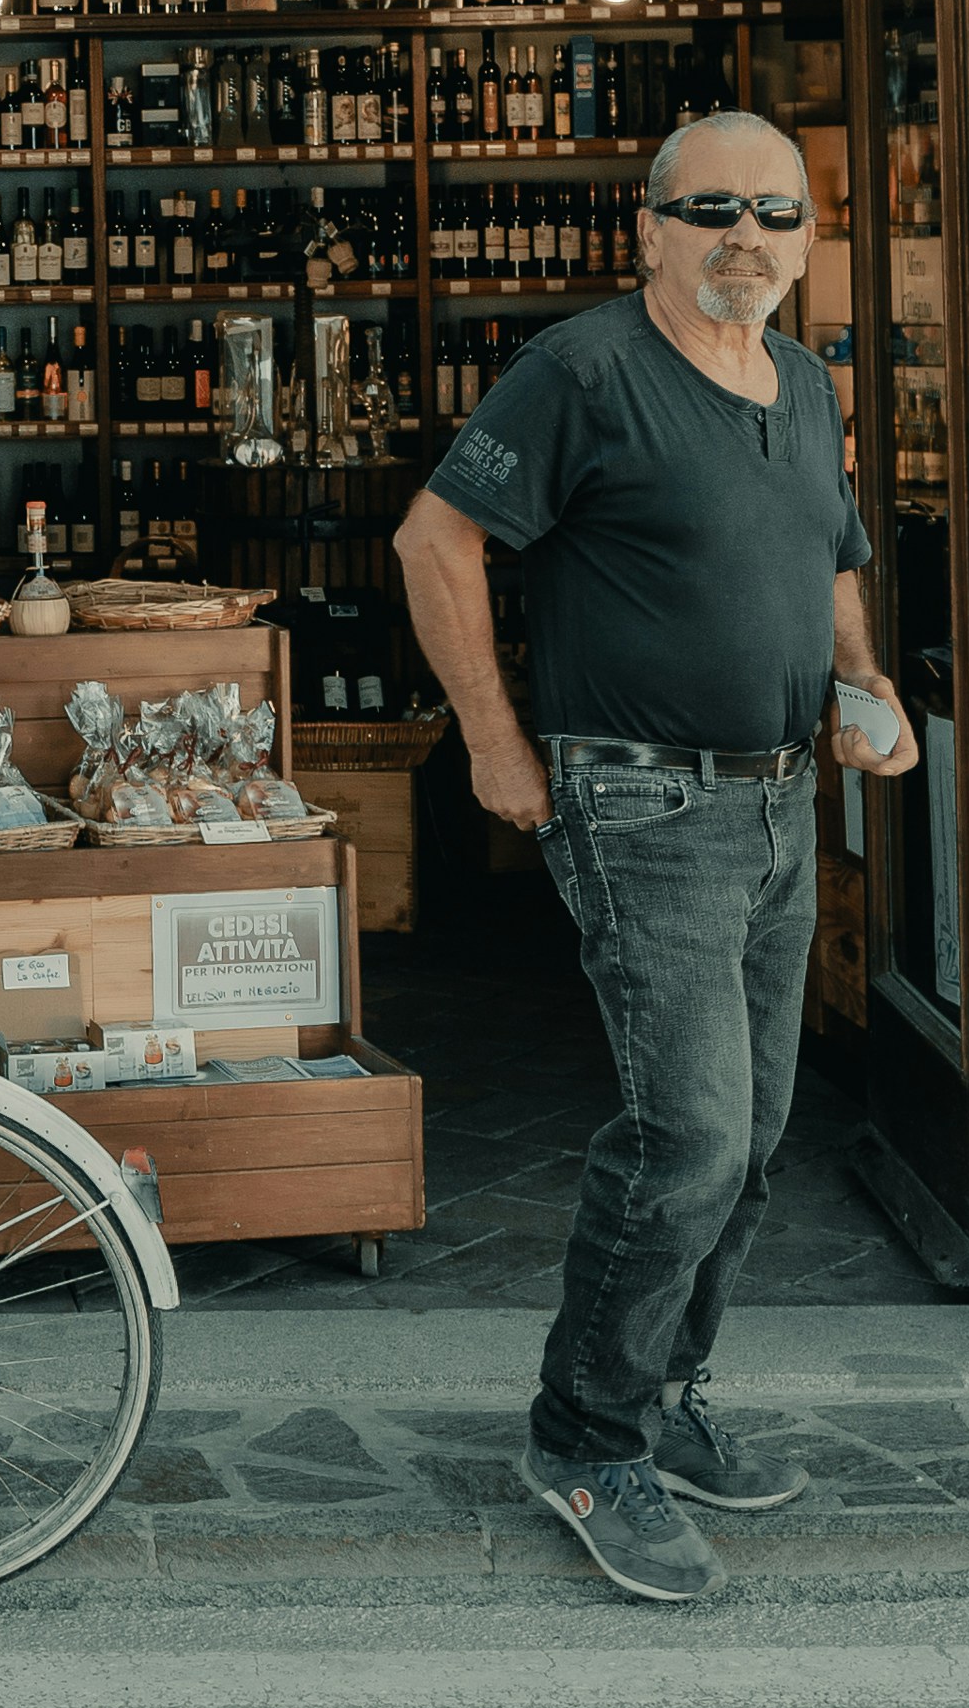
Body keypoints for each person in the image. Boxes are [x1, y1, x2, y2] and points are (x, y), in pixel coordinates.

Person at [393, 108, 917, 1603]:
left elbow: (829, 561)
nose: (743, 236)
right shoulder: (583, 370)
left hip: (772, 804)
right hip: (638, 805)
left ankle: (660, 1396)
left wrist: (865, 692)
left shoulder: (805, 386)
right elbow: (437, 545)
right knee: (683, 1136)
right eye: (711, 211)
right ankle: (584, 1436)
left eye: (775, 212)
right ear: (649, 228)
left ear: (809, 242)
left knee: (747, 1144)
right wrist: (496, 745)